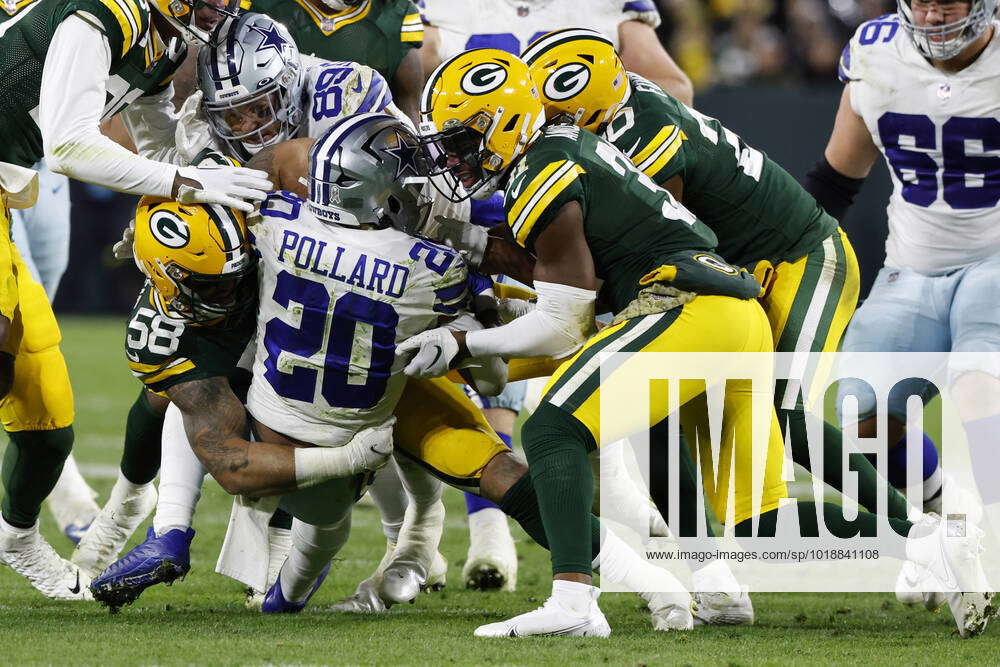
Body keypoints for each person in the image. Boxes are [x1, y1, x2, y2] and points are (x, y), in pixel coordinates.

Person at [402, 47, 992, 638]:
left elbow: (581, 299)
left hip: (778, 264)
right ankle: (751, 571)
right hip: (717, 294)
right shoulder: (577, 146)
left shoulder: (588, 152)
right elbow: (586, 277)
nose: (454, 158)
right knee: (729, 493)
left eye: (458, 141)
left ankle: (921, 526)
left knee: (764, 419)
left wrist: (471, 333)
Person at [0, 0, 271, 599]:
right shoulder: (102, 13)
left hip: (6, 190)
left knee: (46, 417)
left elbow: (155, 146)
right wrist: (188, 184)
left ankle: (14, 537)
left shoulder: (167, 38)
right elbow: (69, 144)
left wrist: (179, 194)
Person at [807, 0, 1000, 616]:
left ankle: (987, 543)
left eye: (950, 1)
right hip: (912, 267)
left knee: (980, 395)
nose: (935, 15)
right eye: (923, 1)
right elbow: (838, 178)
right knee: (859, 417)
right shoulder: (875, 52)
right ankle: (946, 527)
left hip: (996, 260)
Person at [419, 0, 693, 105]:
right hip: (474, 162)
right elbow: (405, 83)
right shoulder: (442, 6)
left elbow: (676, 90)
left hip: (577, 160)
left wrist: (592, 95)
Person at [248, 0, 425, 121]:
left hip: (356, 148)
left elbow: (408, 110)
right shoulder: (261, 6)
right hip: (273, 134)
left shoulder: (394, 16)